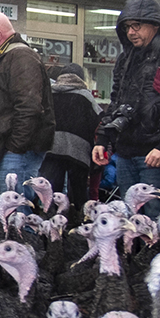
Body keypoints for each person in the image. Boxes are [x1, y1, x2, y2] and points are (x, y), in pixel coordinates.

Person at [89, 0, 160, 217]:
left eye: (136, 25)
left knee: (157, 219)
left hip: (158, 154)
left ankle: (159, 253)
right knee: (129, 219)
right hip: (126, 151)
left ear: (155, 25)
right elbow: (116, 100)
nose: (130, 32)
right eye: (127, 27)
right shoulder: (126, 57)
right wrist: (103, 139)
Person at [0, 11, 55, 200]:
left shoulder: (21, 57)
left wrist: (15, 148)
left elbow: (29, 107)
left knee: (15, 215)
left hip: (14, 154)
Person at [44, 63, 100, 218]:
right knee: (78, 190)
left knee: (51, 190)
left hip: (52, 146)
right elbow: (99, 119)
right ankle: (79, 220)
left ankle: (50, 222)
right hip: (79, 149)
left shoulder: (50, 93)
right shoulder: (85, 95)